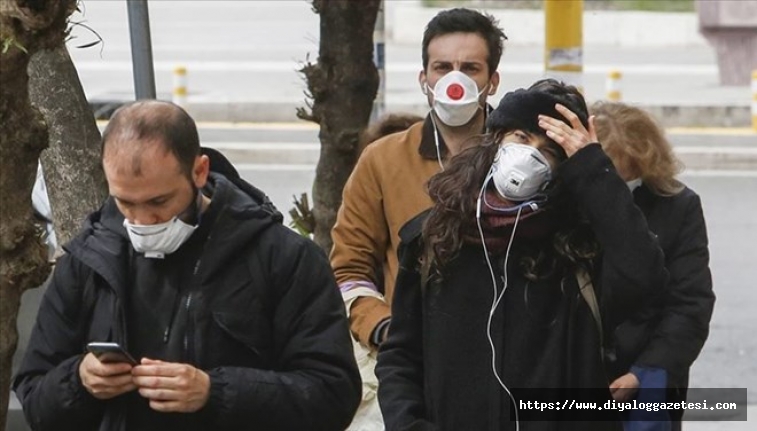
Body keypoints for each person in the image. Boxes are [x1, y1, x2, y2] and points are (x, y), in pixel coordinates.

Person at [13, 100, 361, 431]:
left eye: (159, 201)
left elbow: (333, 396)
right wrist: (79, 380)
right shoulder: (89, 259)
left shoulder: (283, 257)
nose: (143, 220)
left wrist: (215, 391)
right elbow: (35, 400)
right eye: (125, 202)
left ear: (199, 171)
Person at [376, 84, 669, 430]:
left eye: (548, 151)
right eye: (521, 137)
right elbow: (401, 356)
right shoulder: (433, 239)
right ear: (495, 140)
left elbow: (645, 276)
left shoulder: (580, 247)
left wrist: (593, 167)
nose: (530, 155)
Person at [330, 9, 506, 428]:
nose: (455, 80)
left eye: (471, 68)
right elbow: (348, 268)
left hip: (503, 365)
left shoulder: (523, 158)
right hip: (412, 370)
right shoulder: (383, 160)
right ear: (424, 78)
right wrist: (384, 328)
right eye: (442, 67)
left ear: (493, 81)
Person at [591, 101, 715, 430]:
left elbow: (690, 303)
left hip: (646, 376)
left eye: (629, 181)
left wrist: (645, 370)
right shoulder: (570, 202)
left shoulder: (679, 206)